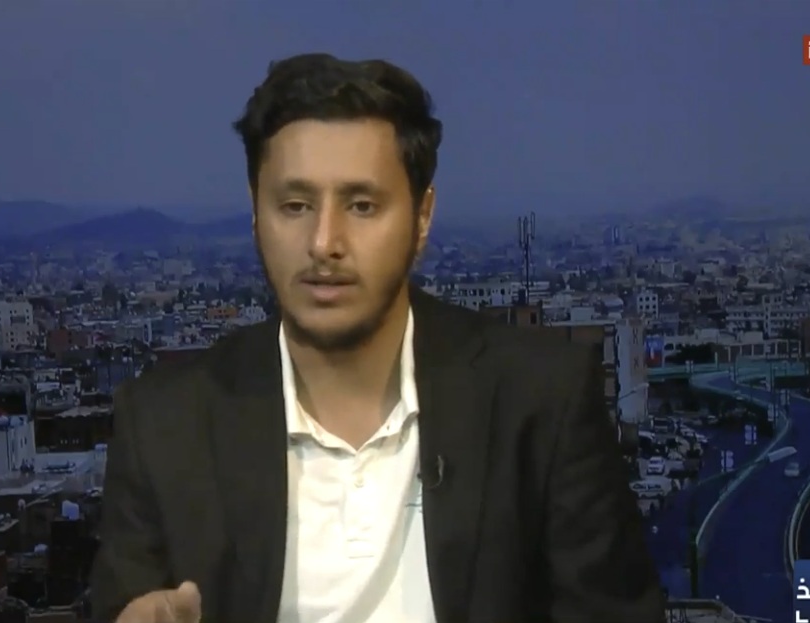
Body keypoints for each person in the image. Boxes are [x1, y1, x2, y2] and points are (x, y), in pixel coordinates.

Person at [90, 53, 664, 623]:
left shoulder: (540, 400)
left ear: (422, 217)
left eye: (362, 206)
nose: (324, 242)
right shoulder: (163, 425)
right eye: (295, 205)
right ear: (256, 215)